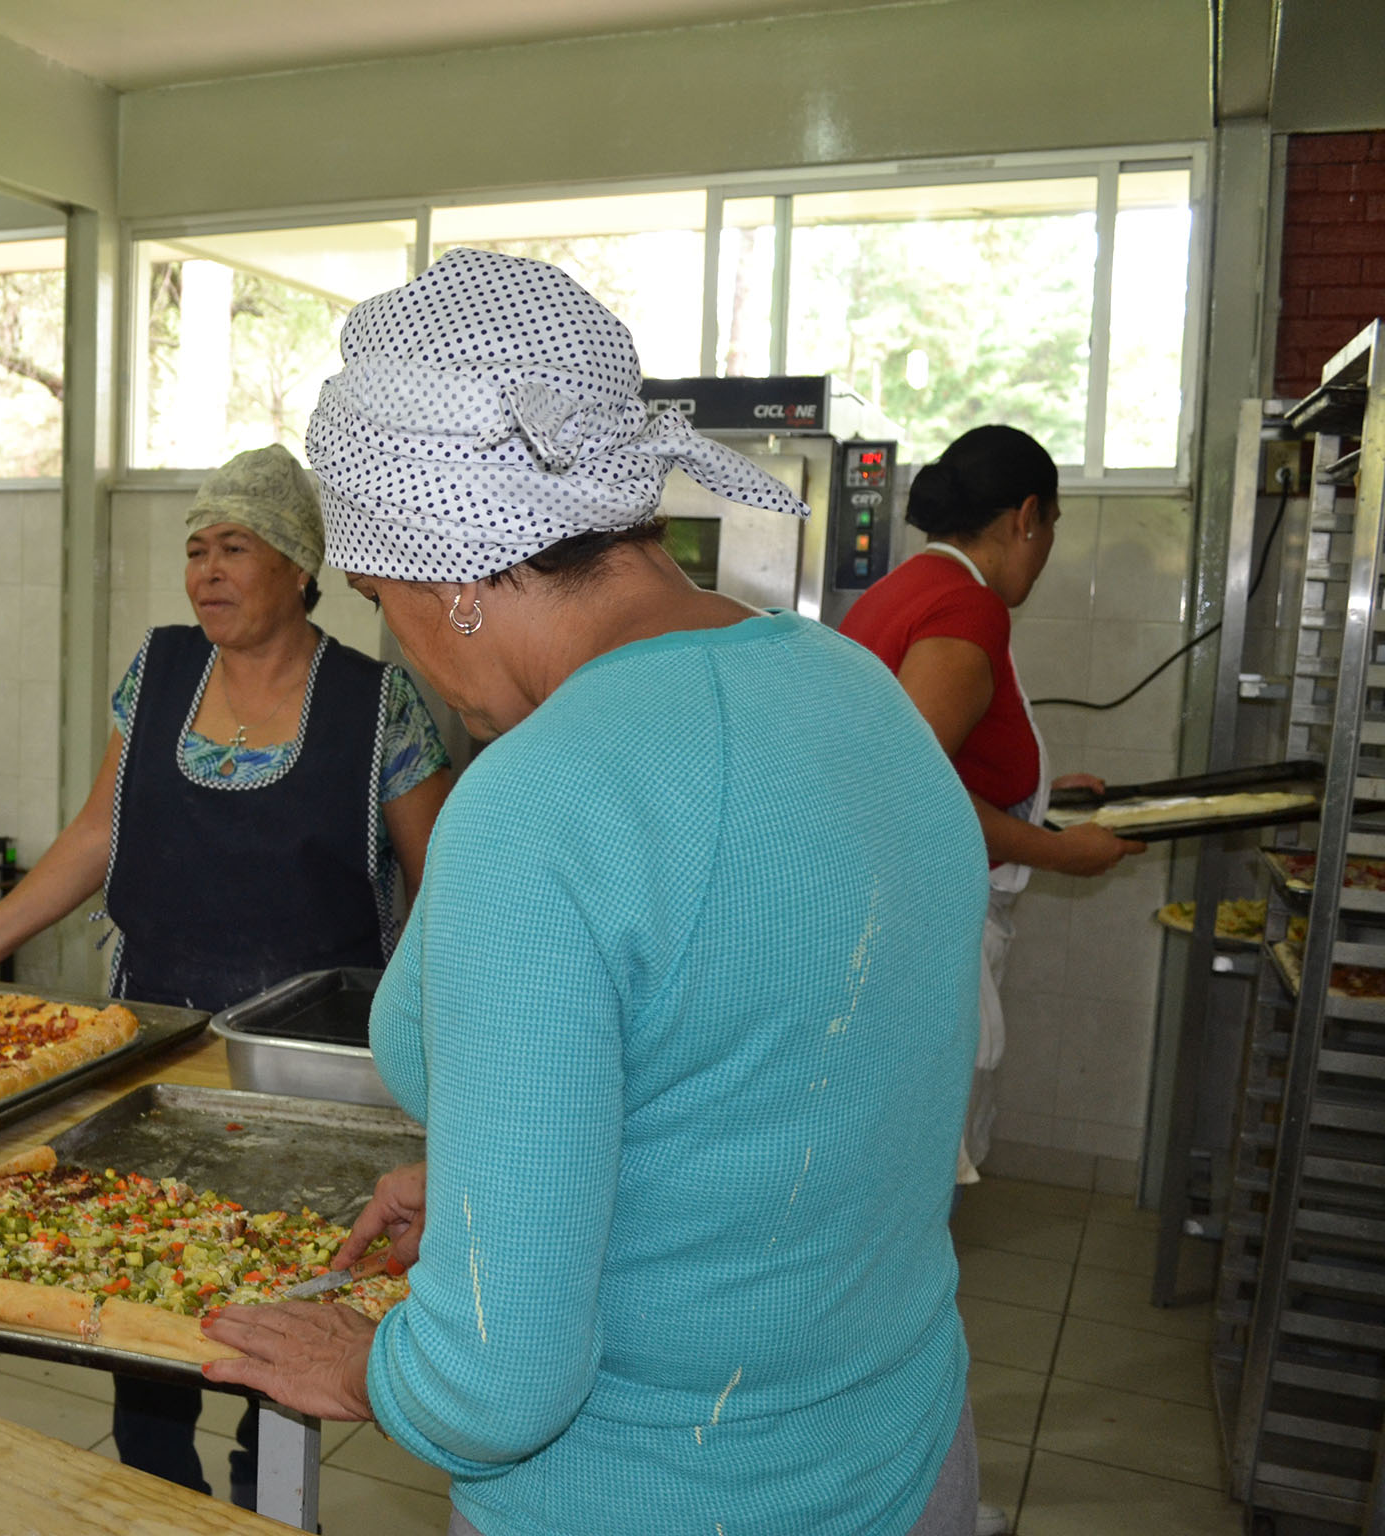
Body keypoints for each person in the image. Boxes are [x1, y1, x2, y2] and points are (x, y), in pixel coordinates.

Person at [200, 250, 989, 1536]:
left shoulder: (540, 802)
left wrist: (386, 1367)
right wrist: (493, 1179)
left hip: (660, 1495)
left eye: (377, 590)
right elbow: (774, 1087)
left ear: (446, 571)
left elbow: (498, 1389)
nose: (392, 629)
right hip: (894, 1458)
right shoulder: (856, 692)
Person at [0, 441, 453, 1506]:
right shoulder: (156, 677)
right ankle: (151, 1495)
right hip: (153, 1044)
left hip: (311, 1075)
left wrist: (424, 1036)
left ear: (299, 564)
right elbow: (96, 832)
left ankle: (264, 1495)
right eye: (195, 550)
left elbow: (443, 883)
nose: (206, 571)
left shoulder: (381, 705)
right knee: (134, 1265)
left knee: (285, 1287)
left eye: (233, 547)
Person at [837, 425, 1144, 1185]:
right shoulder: (965, 608)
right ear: (1027, 516)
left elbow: (929, 753)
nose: (1044, 552)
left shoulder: (905, 589)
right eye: (1051, 531)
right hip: (931, 920)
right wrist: (1063, 852)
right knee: (922, 1165)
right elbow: (914, 787)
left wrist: (1039, 794)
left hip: (891, 910)